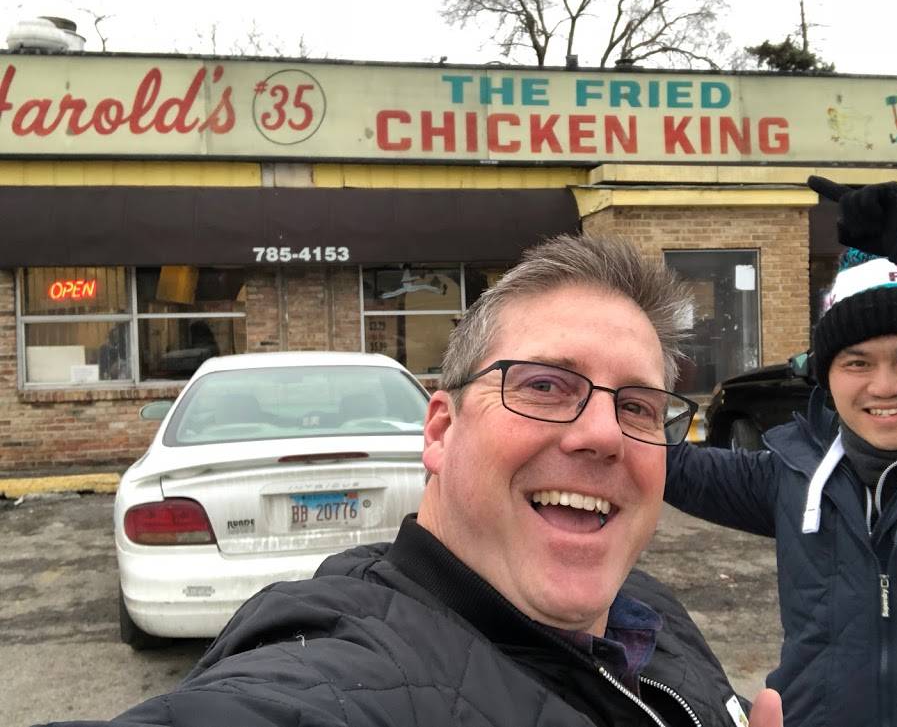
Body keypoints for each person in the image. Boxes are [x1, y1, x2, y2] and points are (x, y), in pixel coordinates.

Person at [39, 235, 781, 727]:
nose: (601, 433)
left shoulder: (645, 610)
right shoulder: (337, 682)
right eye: (546, 385)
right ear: (439, 430)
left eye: (638, 405)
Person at [666, 175, 897, 727]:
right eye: (856, 363)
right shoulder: (794, 475)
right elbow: (662, 464)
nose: (884, 386)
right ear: (827, 377)